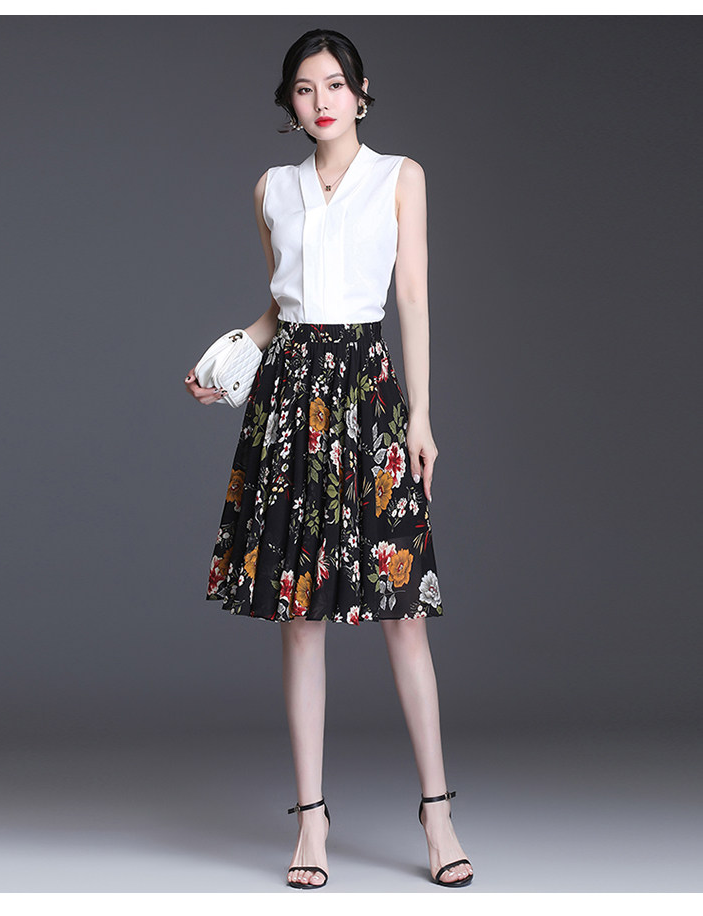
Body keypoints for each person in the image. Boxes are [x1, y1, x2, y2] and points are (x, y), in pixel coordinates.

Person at [184, 28, 474, 891]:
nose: (321, 101)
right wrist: (227, 362)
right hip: (289, 399)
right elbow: (281, 307)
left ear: (361, 90)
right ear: (290, 101)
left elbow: (412, 296)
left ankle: (438, 812)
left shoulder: (401, 176)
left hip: (367, 394)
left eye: (335, 85)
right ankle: (310, 819)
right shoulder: (271, 189)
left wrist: (422, 416)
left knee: (402, 612)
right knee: (299, 615)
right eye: (305, 89)